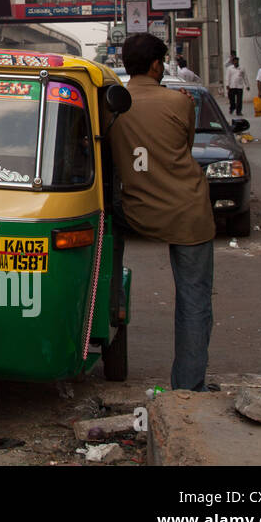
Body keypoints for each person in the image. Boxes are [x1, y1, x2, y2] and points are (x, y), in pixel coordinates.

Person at [109, 33, 216, 392]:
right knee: (193, 299)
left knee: (105, 229)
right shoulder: (180, 101)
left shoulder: (110, 103)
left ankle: (111, 305)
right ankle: (188, 388)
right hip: (187, 210)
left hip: (134, 208)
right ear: (157, 65)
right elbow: (182, 149)